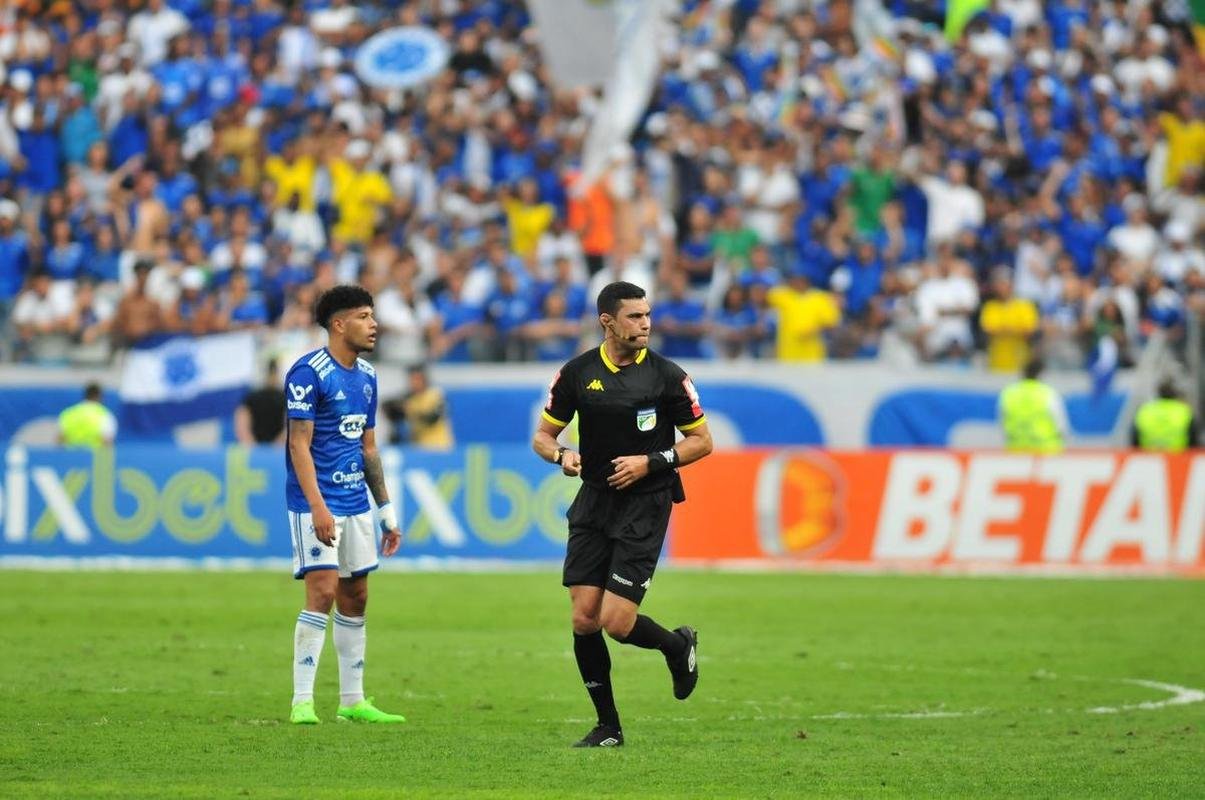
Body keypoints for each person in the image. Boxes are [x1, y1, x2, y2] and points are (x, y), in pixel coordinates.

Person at [532, 281, 713, 748]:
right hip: (593, 501)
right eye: (634, 316)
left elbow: (701, 442)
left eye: (648, 314)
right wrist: (562, 457)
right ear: (607, 322)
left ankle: (677, 645)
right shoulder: (577, 373)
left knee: (616, 621)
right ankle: (608, 727)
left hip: (644, 505)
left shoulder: (668, 376)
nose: (646, 324)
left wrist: (650, 462)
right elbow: (543, 437)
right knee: (583, 619)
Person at [283, 285, 405, 725]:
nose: (374, 325)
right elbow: (299, 446)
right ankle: (302, 701)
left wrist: (386, 510)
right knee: (322, 592)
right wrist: (317, 508)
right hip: (316, 502)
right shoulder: (308, 373)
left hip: (356, 502)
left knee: (357, 595)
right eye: (364, 316)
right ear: (339, 324)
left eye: (373, 316)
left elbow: (367, 447)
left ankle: (352, 701)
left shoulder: (368, 376)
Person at [998, 358, 1069, 454]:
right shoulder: (1048, 393)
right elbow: (1061, 424)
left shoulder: (1008, 393)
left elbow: (1002, 421)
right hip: (1046, 450)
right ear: (1041, 373)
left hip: (1016, 450)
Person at [382, 366, 454, 449]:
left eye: (417, 379)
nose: (414, 383)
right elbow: (387, 405)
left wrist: (411, 411)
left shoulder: (435, 395)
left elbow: (432, 418)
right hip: (418, 447)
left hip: (439, 446)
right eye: (411, 380)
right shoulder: (409, 398)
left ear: (425, 380)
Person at [1131, 379, 1199, 453]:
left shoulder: (1145, 410)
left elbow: (1134, 436)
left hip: (1149, 457)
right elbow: (1193, 436)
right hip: (1178, 457)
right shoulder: (1183, 410)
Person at [235, 359, 286, 445]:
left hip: (276, 448)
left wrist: (280, 442)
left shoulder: (284, 397)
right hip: (257, 447)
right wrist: (249, 442)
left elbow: (291, 425)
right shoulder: (253, 397)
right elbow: (242, 419)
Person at [58, 382, 117, 448]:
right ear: (100, 396)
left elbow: (60, 439)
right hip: (94, 456)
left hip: (71, 456)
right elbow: (107, 442)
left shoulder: (69, 413)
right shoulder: (104, 414)